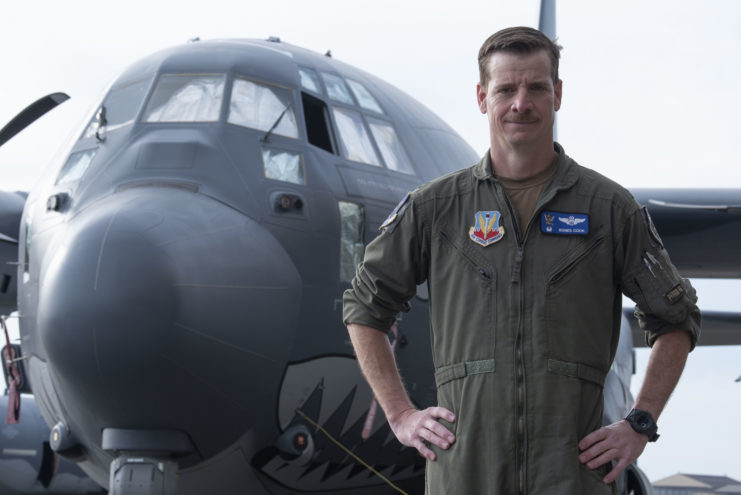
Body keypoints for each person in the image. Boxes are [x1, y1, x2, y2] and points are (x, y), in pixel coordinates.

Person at [343, 26, 700, 495]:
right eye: (506, 89)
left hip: (572, 476)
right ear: (481, 97)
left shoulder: (609, 210)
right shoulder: (436, 209)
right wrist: (400, 414)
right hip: (466, 475)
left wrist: (639, 422)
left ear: (558, 94)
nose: (521, 103)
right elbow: (364, 307)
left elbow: (677, 317)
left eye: (536, 87)